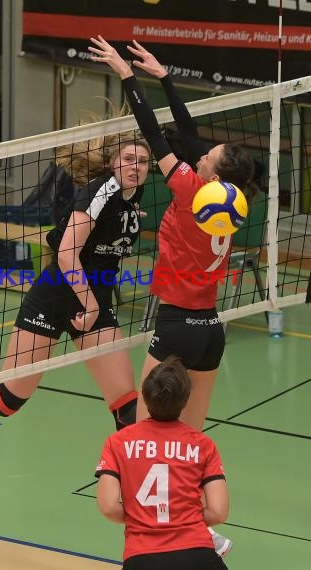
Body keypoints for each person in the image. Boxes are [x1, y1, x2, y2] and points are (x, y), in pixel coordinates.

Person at [0, 129, 151, 451]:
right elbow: (65, 254)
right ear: (112, 162)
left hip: (95, 300)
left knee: (128, 408)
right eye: (129, 159)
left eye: (143, 161)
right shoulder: (99, 192)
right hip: (55, 296)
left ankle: (129, 476)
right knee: (7, 400)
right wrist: (89, 307)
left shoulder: (131, 195)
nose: (136, 166)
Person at [88, 36, 260, 432]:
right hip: (210, 331)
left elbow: (154, 133)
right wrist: (165, 79)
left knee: (140, 431)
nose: (199, 154)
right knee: (191, 438)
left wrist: (127, 75)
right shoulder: (231, 203)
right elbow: (190, 133)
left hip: (176, 326)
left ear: (212, 176)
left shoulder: (189, 189)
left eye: (206, 158)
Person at [95, 355, 229, 570]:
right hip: (196, 554)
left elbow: (109, 506)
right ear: (186, 400)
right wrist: (182, 519)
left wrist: (144, 519)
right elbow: (218, 512)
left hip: (141, 558)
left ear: (145, 397)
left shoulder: (117, 442)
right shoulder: (203, 445)